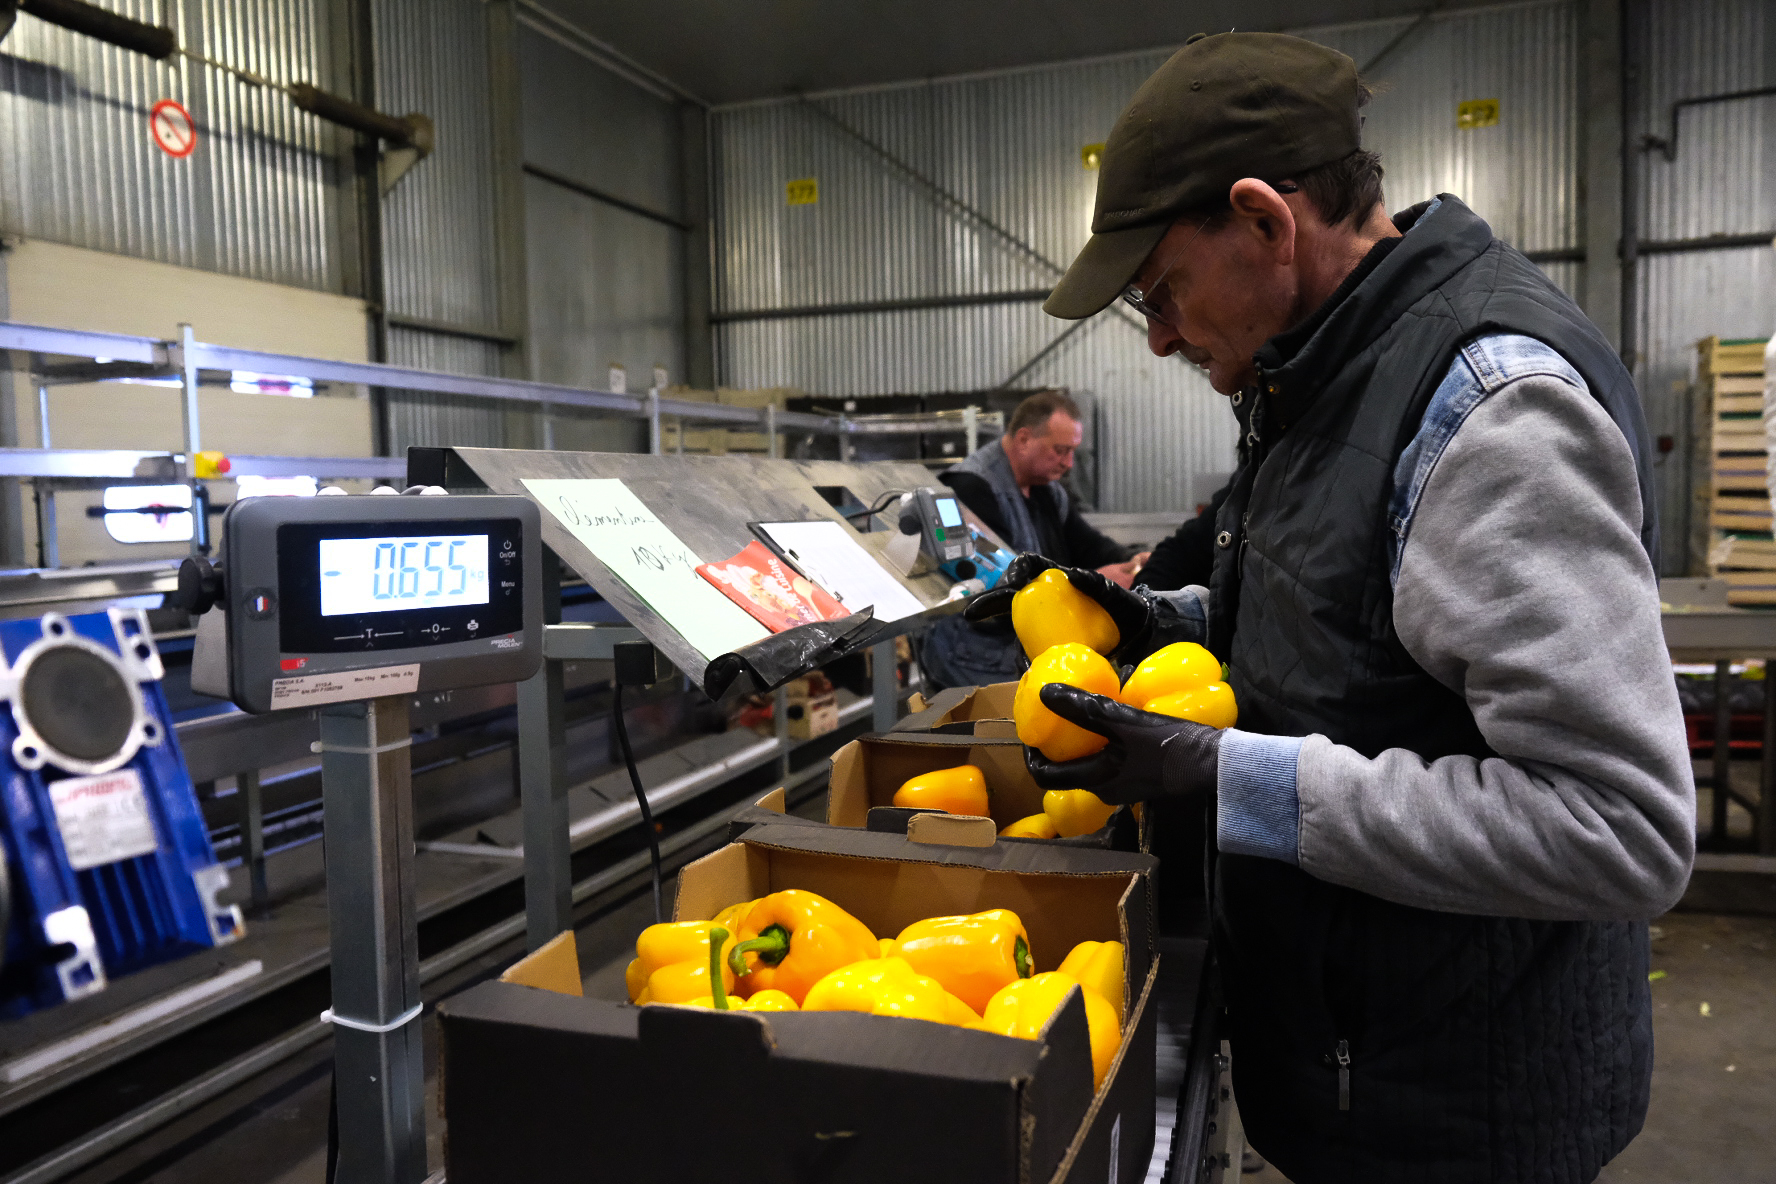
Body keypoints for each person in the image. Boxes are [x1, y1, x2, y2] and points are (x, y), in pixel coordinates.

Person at [969, 31, 1693, 1184]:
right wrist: (1160, 621)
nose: (1156, 336)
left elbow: (1618, 827)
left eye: (1162, 291)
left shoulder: (1491, 412)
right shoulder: (1317, 376)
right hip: (1360, 1064)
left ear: (1265, 221)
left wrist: (1231, 776)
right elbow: (1350, 624)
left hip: (1459, 1113)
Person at [920, 391, 1144, 689]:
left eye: (1072, 451)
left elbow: (1087, 543)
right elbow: (1000, 584)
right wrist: (1090, 582)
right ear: (1024, 439)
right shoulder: (971, 489)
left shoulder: (1046, 489)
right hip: (975, 649)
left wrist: (1134, 560)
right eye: (1060, 450)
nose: (1069, 463)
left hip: (1027, 640)